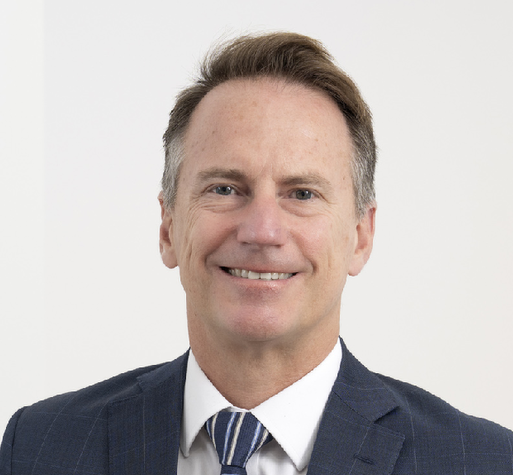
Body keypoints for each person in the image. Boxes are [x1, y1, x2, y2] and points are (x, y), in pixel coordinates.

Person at [1, 32, 512, 475]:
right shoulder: (40, 447)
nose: (263, 231)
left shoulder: (483, 462)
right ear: (168, 226)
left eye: (302, 193)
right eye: (225, 189)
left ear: (360, 236)